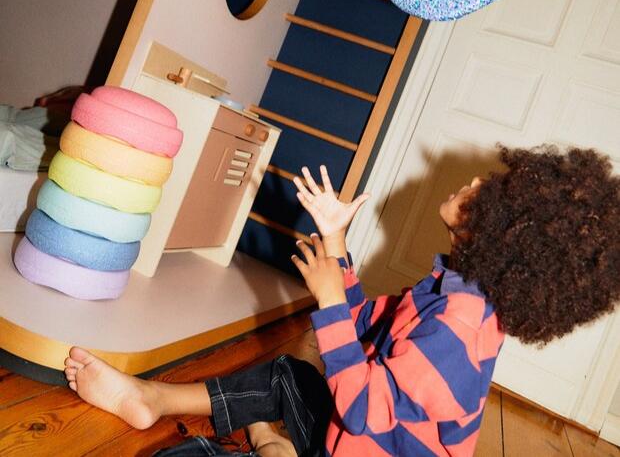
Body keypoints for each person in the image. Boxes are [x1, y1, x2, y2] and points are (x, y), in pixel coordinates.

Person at [64, 145, 620, 456]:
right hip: (346, 445)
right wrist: (336, 242)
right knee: (290, 376)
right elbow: (360, 334)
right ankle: (154, 400)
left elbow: (361, 409)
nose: (477, 180)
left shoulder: (461, 328)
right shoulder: (449, 291)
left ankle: (270, 450)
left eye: (493, 192)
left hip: (357, 440)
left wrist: (328, 306)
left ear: (504, 234)